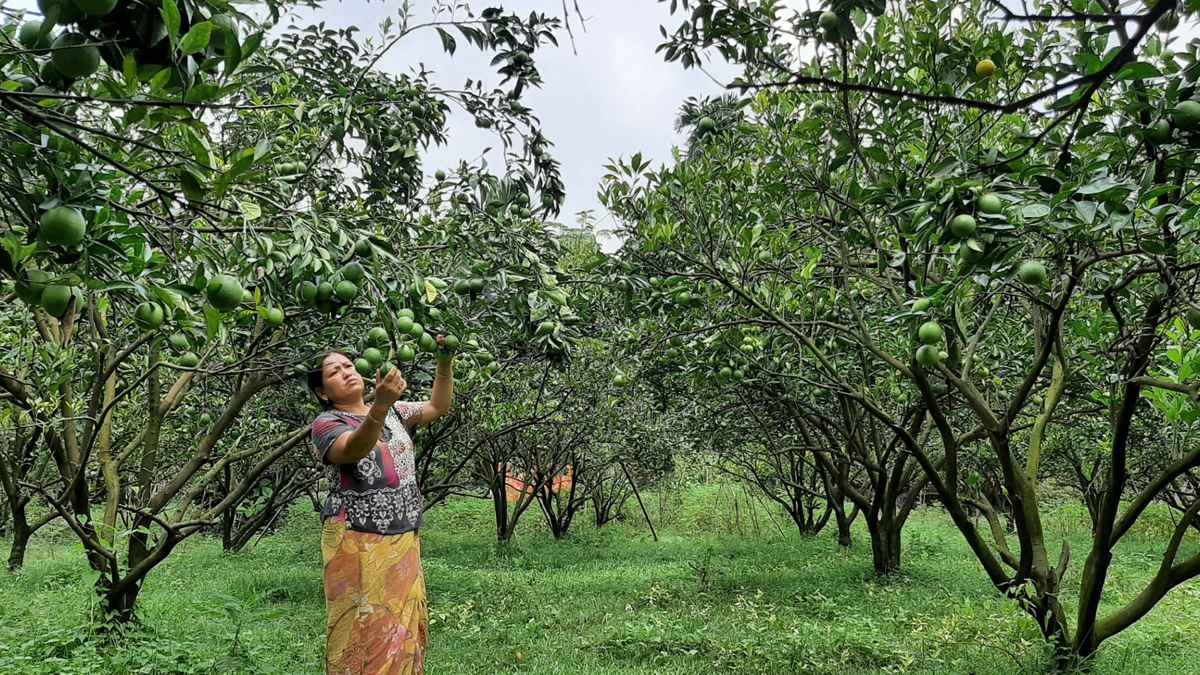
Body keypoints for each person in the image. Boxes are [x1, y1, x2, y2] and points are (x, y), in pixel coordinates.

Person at [307, 342, 454, 675]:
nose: (346, 372)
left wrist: (444, 363)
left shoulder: (396, 411)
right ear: (323, 392)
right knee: (365, 630)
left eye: (347, 365)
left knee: (400, 630)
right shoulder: (327, 424)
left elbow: (438, 405)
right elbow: (354, 449)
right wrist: (379, 408)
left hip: (402, 535)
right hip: (357, 539)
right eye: (334, 371)